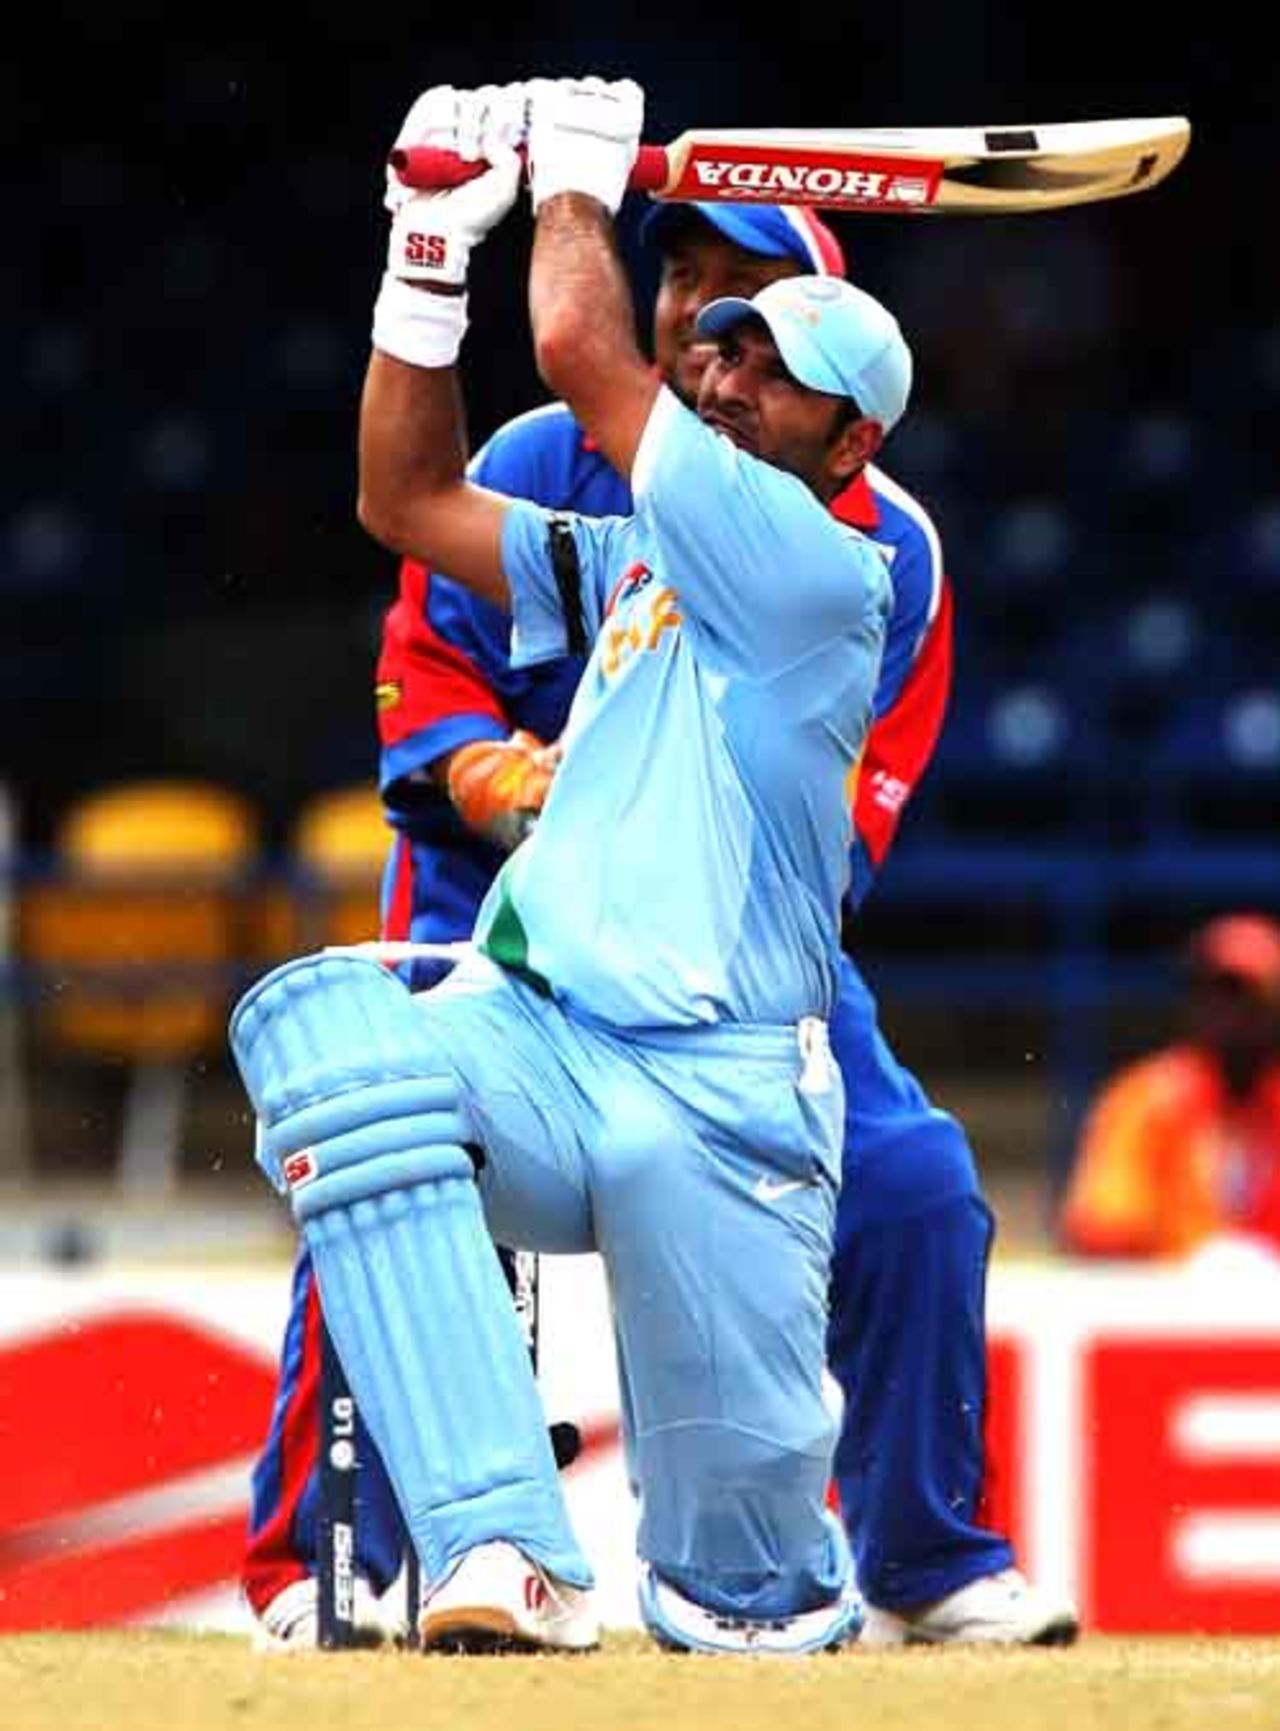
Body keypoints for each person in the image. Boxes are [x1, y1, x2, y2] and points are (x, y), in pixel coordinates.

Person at [243, 130, 1077, 1653]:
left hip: (715, 1089)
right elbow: (405, 499)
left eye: (772, 353)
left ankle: (862, 1564)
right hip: (561, 1032)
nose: (720, 363)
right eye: (710, 334)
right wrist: (423, 257)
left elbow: (572, 338)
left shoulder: (826, 563)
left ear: (850, 449)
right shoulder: (644, 554)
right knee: (333, 1049)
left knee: (744, 1609)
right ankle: (494, 1538)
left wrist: (565, 177)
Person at [1059, 911, 1280, 1261]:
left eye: (1249, 999)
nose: (1233, 1014)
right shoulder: (1148, 1099)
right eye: (1218, 995)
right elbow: (1101, 1223)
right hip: (1167, 1303)